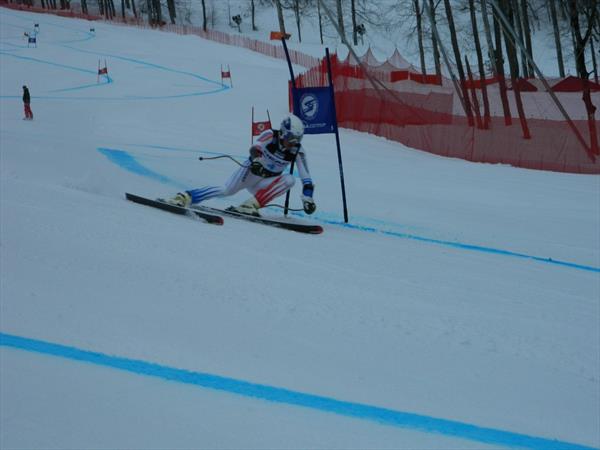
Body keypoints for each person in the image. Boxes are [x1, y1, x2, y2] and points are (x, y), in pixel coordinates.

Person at [167, 114, 316, 217]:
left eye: (297, 139)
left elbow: (307, 180)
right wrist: (256, 161)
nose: (293, 142)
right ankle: (186, 196)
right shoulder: (270, 135)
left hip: (265, 182)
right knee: (226, 190)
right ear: (283, 133)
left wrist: (308, 199)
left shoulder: (298, 151)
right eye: (291, 138)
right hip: (251, 172)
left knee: (290, 180)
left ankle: (250, 205)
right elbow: (255, 147)